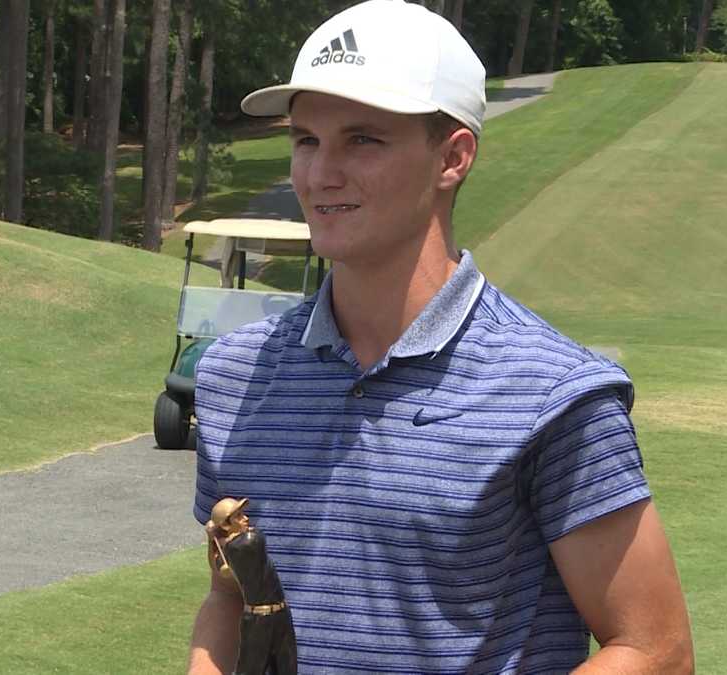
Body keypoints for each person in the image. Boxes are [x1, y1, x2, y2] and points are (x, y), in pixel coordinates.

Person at [187, 1, 694, 673]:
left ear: (452, 157)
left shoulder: (552, 393)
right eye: (306, 139)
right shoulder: (233, 378)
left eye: (361, 139)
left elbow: (656, 649)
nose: (319, 173)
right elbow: (233, 596)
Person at [206, 497, 297, 675]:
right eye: (238, 516)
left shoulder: (234, 546)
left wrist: (213, 540)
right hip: (258, 620)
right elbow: (218, 565)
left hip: (279, 613)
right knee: (251, 669)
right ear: (225, 525)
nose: (245, 518)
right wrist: (213, 541)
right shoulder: (246, 542)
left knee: (287, 667)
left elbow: (217, 563)